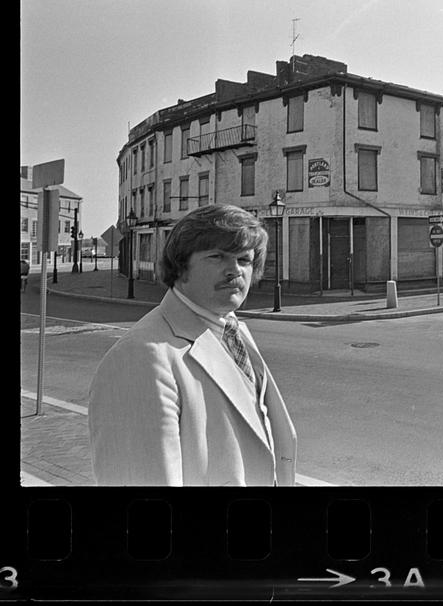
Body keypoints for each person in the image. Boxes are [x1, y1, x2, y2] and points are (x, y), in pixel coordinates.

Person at [88, 204, 296, 486]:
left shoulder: (232, 329)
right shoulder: (141, 356)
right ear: (181, 266)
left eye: (244, 260)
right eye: (216, 257)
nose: (235, 271)